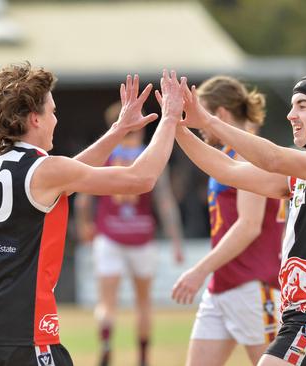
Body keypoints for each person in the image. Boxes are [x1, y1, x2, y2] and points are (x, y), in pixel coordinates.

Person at [0, 63, 184, 366]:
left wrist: (118, 130)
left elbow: (70, 174)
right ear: (35, 119)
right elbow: (141, 179)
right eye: (52, 112)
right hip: (24, 330)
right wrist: (170, 119)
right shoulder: (46, 170)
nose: (56, 119)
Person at [173, 71, 306, 366]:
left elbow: (273, 158)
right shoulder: (301, 175)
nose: (290, 115)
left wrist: (209, 120)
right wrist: (174, 125)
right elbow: (228, 170)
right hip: (300, 316)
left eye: (302, 105)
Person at [170, 76, 284, 366]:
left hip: (253, 286)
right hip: (223, 285)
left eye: (200, 113)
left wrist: (199, 270)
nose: (198, 124)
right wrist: (175, 125)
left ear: (219, 114)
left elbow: (249, 225)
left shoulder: (250, 154)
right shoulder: (228, 154)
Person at [74, 101, 184, 366]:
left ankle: (106, 342)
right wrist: (176, 240)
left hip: (109, 235)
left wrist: (84, 226)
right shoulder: (150, 156)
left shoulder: (105, 155)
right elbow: (165, 201)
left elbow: (82, 200)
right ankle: (144, 357)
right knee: (144, 302)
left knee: (107, 302)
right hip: (142, 237)